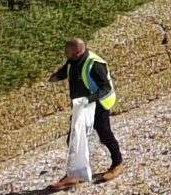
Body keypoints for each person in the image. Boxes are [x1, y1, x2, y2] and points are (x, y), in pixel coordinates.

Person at [50, 39, 121, 181]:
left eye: (68, 53)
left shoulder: (94, 64)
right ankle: (74, 174)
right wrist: (57, 76)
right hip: (81, 106)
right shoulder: (73, 61)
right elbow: (67, 70)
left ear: (77, 52)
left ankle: (117, 163)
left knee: (105, 135)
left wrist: (89, 99)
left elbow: (106, 89)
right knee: (73, 138)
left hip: (98, 105)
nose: (66, 55)